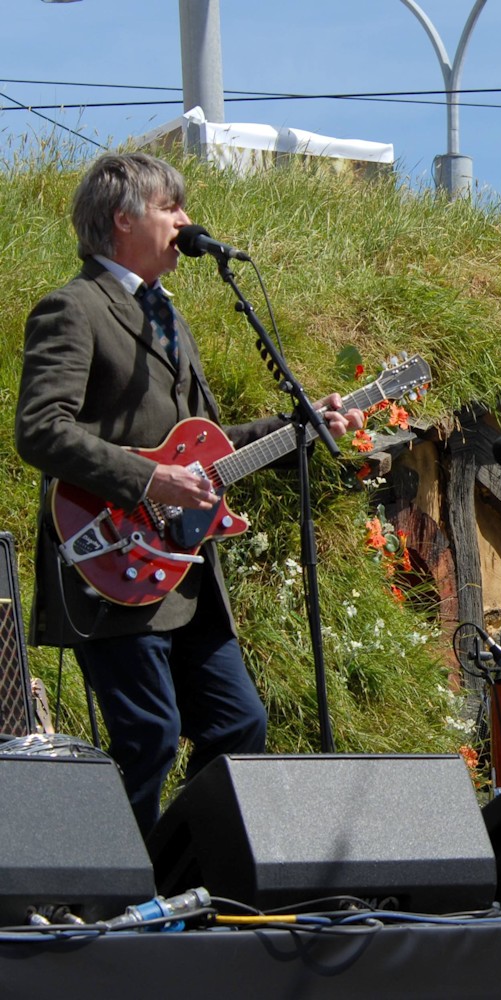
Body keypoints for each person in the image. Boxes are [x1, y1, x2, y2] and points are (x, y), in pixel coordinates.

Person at [14, 152, 364, 834]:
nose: (186, 219)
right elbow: (40, 430)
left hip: (182, 567)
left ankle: (179, 870)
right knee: (148, 737)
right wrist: (148, 479)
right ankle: (114, 882)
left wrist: (298, 425)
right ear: (123, 218)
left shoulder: (169, 318)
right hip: (109, 558)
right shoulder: (73, 308)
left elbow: (202, 449)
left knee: (239, 725)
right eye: (170, 206)